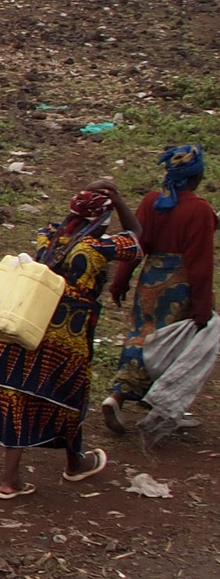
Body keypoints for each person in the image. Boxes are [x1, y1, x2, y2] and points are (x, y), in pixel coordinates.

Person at [0, 182, 141, 498]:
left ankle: (10, 478)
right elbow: (138, 238)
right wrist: (119, 200)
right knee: (70, 397)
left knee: (18, 394)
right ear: (101, 220)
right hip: (67, 336)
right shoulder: (96, 248)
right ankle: (75, 463)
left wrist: (87, 197)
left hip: (27, 322)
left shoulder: (48, 238)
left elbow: (67, 222)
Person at [106, 145, 215, 444]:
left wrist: (120, 282)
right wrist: (204, 307)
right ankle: (163, 403)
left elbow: (135, 246)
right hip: (181, 287)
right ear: (198, 176)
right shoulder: (200, 210)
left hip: (150, 280)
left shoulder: (153, 202)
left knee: (142, 335)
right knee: (178, 346)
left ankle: (117, 396)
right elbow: (201, 265)